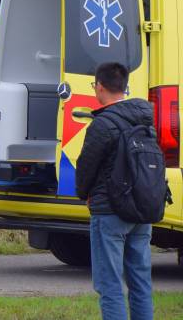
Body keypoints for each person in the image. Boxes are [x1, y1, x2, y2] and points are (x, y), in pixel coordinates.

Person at [76, 62, 154, 320]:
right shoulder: (147, 122)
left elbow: (86, 166)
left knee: (109, 285)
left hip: (109, 211)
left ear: (99, 86)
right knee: (140, 282)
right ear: (124, 87)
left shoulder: (102, 124)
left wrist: (83, 193)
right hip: (141, 210)